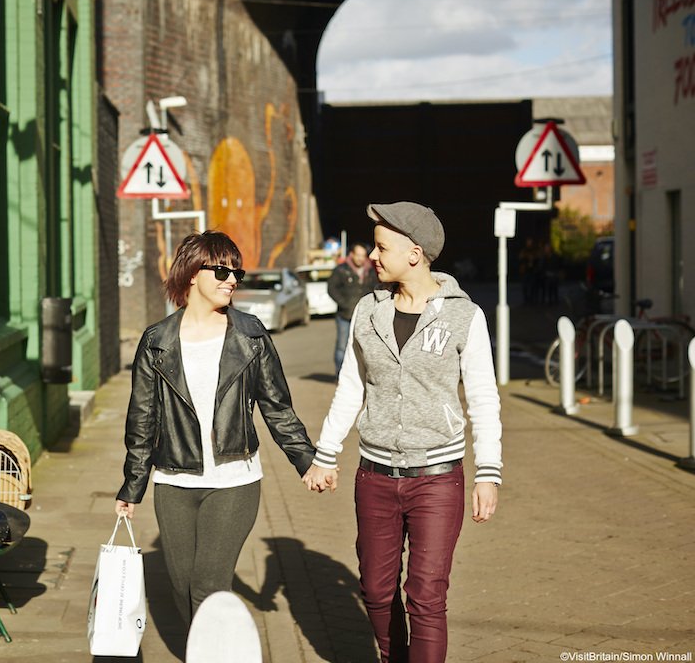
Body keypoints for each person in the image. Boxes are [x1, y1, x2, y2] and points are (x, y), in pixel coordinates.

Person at [303, 202, 502, 663]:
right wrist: (326, 453)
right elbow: (351, 387)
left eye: (381, 247)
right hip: (374, 477)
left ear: (415, 253)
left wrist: (488, 472)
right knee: (375, 591)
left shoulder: (463, 317)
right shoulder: (367, 313)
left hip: (436, 478)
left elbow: (484, 398)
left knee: (427, 596)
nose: (373, 255)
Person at [115, 230, 317, 625]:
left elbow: (277, 406)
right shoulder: (156, 342)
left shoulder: (251, 335)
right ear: (192, 273)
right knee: (182, 586)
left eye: (236, 273)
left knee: (208, 584)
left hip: (234, 481)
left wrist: (307, 460)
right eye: (222, 270)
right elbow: (142, 419)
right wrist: (132, 486)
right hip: (174, 481)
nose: (231, 280)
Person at [326, 241, 379, 380]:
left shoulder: (371, 270)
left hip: (365, 316)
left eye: (363, 255)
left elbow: (376, 288)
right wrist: (344, 304)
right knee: (342, 346)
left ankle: (362, 376)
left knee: (365, 346)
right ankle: (340, 375)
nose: (361, 258)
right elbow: (331, 288)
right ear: (352, 255)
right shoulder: (341, 269)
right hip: (345, 315)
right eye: (358, 255)